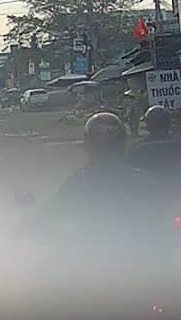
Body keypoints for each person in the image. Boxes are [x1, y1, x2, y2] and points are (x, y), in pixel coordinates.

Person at [21, 112, 156, 261]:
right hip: (139, 259)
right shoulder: (144, 179)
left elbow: (51, 213)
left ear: (89, 146)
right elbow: (163, 213)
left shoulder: (78, 182)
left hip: (92, 259)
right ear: (122, 143)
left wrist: (28, 225)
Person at [128, 105, 181, 203]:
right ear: (168, 123)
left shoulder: (137, 148)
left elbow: (131, 178)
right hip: (177, 198)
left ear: (148, 124)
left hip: (147, 200)